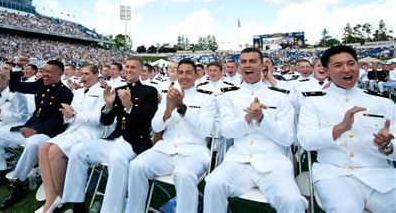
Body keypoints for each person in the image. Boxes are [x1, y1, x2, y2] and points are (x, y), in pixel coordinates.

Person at [204, 48, 307, 213]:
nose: (247, 65)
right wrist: (247, 118)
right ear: (239, 67)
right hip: (238, 161)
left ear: (262, 66)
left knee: (292, 201)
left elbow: (288, 138)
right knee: (213, 184)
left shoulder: (280, 96)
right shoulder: (229, 96)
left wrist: (261, 119)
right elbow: (226, 131)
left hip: (273, 164)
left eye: (252, 61)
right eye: (243, 62)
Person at [298, 45, 395, 212]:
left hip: (379, 175)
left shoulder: (383, 103)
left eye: (351, 63)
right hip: (335, 175)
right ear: (326, 71)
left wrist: (388, 147)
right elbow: (306, 141)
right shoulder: (313, 102)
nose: (346, 69)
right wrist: (340, 128)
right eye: (338, 65)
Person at [62, 56, 158, 213]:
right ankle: (77, 204)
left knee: (116, 157)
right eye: (127, 66)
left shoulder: (149, 91)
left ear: (141, 70)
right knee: (78, 150)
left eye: (133, 67)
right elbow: (106, 121)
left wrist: (129, 107)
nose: (129, 69)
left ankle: (110, 210)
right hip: (115, 138)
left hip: (135, 142)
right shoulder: (119, 90)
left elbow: (147, 122)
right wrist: (108, 104)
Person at [126, 59, 216, 213]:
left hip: (193, 152)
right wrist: (167, 111)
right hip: (166, 150)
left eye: (188, 72)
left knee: (183, 173)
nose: (184, 76)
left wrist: (182, 108)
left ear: (196, 75)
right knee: (136, 166)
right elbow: (155, 126)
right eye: (181, 72)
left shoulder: (207, 98)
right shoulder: (169, 96)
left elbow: (206, 130)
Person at [0, 58, 73, 210]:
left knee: (32, 144)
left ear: (60, 74)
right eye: (44, 71)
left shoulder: (65, 93)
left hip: (49, 133)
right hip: (30, 127)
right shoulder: (39, 84)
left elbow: (58, 121)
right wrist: (18, 67)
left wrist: (36, 130)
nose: (45, 74)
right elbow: (16, 85)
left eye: (49, 72)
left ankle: (17, 182)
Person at [36, 64, 106, 213]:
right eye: (81, 74)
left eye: (87, 74)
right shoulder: (79, 92)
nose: (83, 77)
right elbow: (71, 117)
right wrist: (68, 116)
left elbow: (100, 119)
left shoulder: (102, 93)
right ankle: (51, 195)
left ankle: (61, 195)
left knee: (54, 150)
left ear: (96, 75)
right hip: (75, 129)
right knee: (43, 148)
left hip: (92, 132)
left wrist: (74, 115)